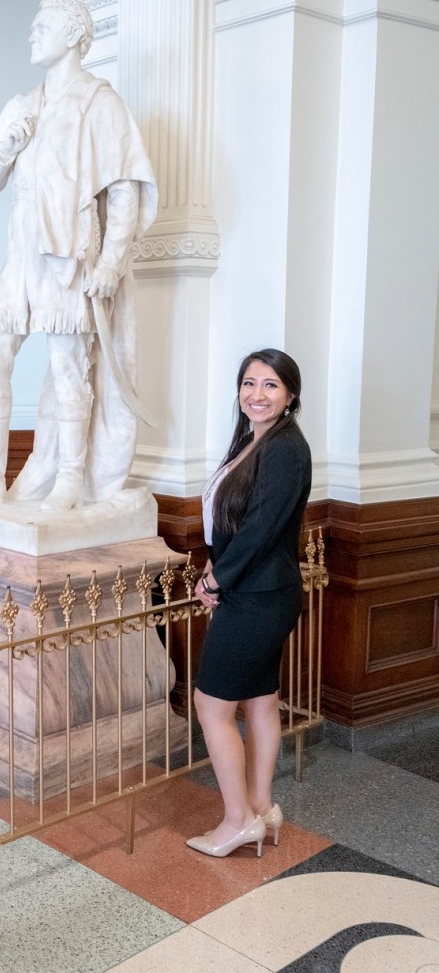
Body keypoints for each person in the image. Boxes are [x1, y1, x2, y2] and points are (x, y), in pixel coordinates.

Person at [0, 0, 157, 512]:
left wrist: (110, 263)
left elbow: (124, 190)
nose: (32, 34)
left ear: (74, 35)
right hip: (23, 256)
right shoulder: (21, 104)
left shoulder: (99, 103)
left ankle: (68, 478)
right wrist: (4, 150)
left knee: (68, 368)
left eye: (43, 26)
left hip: (70, 255)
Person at [186, 348, 312, 859]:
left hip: (257, 594)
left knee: (210, 705)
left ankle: (237, 820)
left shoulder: (284, 449)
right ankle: (260, 807)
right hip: (255, 587)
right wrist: (219, 571)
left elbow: (261, 530)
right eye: (249, 383)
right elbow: (236, 523)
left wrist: (218, 580)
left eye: (270, 386)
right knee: (259, 699)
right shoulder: (254, 440)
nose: (256, 395)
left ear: (290, 396)